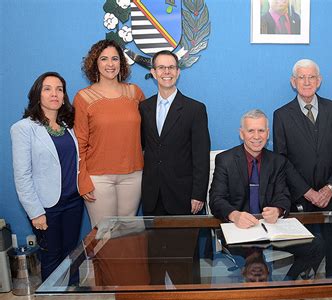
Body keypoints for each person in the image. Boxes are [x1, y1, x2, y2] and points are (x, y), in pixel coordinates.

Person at [11, 72, 83, 285]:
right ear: (37, 95)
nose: (55, 94)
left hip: (73, 203)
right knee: (52, 258)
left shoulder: (68, 127)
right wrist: (35, 213)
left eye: (59, 89)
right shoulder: (24, 128)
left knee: (71, 257)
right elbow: (22, 175)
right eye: (48, 89)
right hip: (46, 208)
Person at [74, 39, 145, 226]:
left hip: (133, 175)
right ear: (95, 63)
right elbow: (79, 142)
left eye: (115, 58)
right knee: (103, 235)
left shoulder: (134, 93)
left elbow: (148, 134)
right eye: (104, 59)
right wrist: (82, 180)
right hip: (98, 178)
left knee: (127, 232)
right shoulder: (83, 97)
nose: (110, 64)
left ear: (121, 63)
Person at [273, 59, 332, 212]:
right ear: (293, 82)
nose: (307, 82)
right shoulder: (281, 115)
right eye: (301, 77)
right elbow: (282, 160)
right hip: (299, 198)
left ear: (319, 81)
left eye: (312, 77)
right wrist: (308, 192)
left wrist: (330, 188)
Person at [140, 50, 210, 216]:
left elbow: (201, 157)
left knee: (184, 243)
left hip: (183, 196)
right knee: (153, 243)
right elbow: (143, 147)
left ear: (178, 72)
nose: (166, 72)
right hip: (152, 196)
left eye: (171, 67)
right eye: (161, 67)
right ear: (153, 73)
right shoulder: (144, 107)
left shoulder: (195, 109)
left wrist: (198, 195)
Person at [210, 109, 290, 228]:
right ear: (241, 134)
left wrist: (277, 210)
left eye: (261, 131)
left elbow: (283, 196)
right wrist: (234, 215)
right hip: (236, 228)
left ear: (268, 133)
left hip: (269, 228)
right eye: (251, 131)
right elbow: (216, 199)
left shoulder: (277, 161)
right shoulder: (225, 160)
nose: (257, 136)